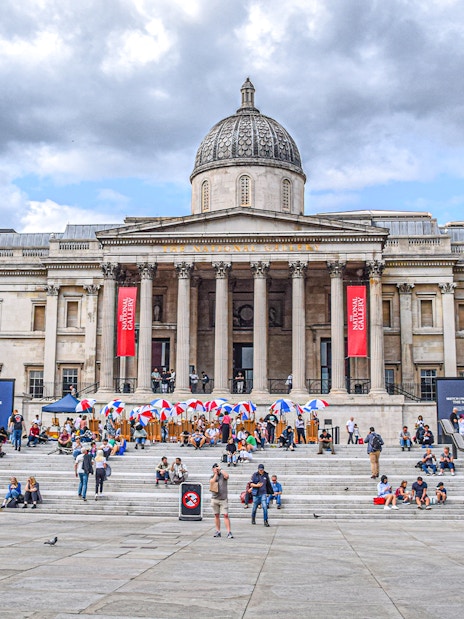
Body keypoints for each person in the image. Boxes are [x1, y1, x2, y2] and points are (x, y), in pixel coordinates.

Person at [210, 463, 233, 538]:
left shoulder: (223, 476)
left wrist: (221, 470)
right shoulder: (212, 476)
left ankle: (229, 531)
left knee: (225, 515)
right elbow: (212, 482)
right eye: (214, 468)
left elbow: (227, 476)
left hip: (223, 498)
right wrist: (216, 474)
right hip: (215, 498)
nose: (216, 469)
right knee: (216, 515)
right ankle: (218, 531)